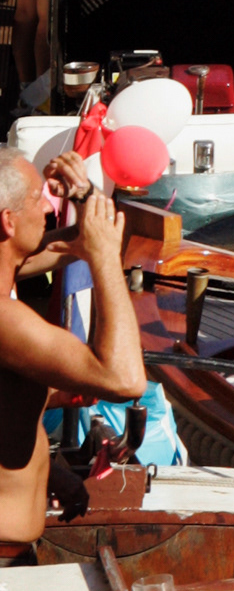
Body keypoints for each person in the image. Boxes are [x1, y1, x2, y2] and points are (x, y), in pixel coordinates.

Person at [0, 159, 145, 552]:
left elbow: (96, 232)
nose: (49, 207)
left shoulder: (9, 279)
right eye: (38, 199)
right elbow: (125, 379)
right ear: (7, 222)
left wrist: (84, 195)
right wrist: (104, 262)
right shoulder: (4, 320)